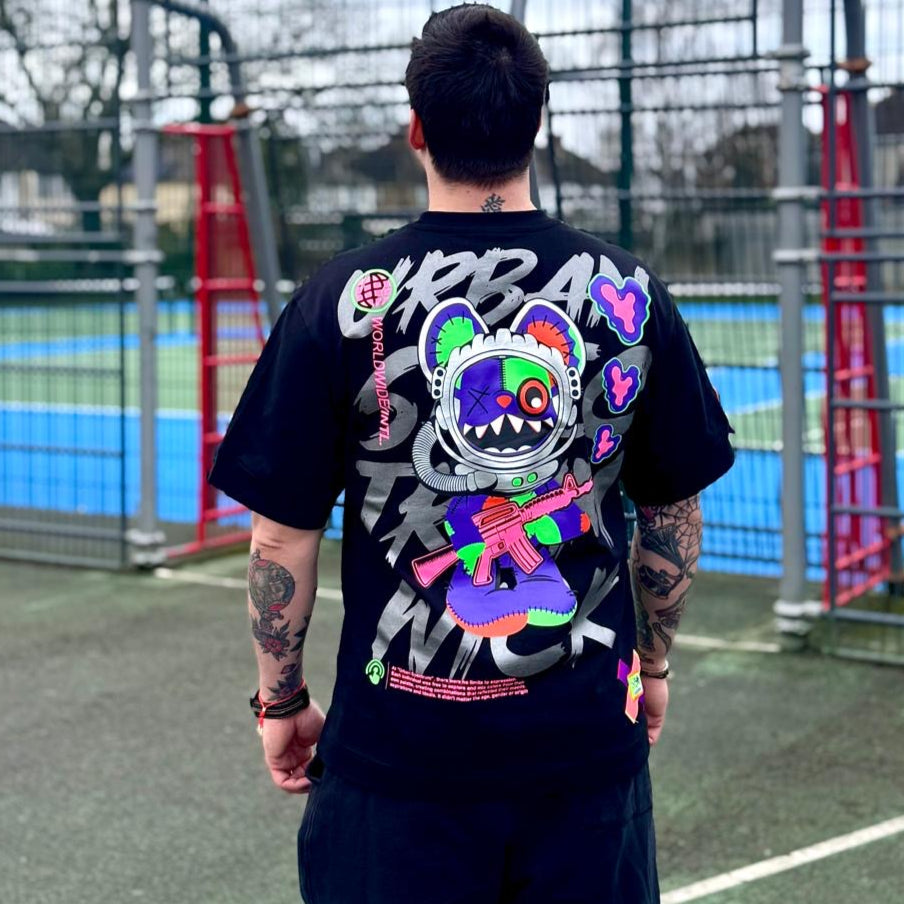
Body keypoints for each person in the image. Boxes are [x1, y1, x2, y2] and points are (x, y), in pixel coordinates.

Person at [209, 5, 734, 903]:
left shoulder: (338, 300)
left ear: (415, 127)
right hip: (583, 759)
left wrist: (281, 700)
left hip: (395, 770)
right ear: (537, 123)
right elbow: (671, 515)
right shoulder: (631, 292)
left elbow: (280, 537)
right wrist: (652, 666)